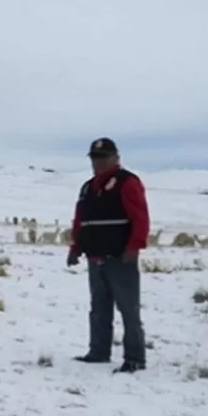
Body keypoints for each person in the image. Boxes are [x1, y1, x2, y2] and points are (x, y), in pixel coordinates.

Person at [66, 138, 150, 373]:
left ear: (116, 158)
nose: (98, 162)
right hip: (95, 256)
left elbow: (140, 217)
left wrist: (134, 246)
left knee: (128, 308)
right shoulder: (88, 188)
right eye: (94, 158)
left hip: (120, 257)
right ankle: (99, 351)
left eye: (103, 157)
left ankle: (135, 357)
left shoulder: (127, 183)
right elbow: (80, 221)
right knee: (99, 308)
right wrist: (76, 247)